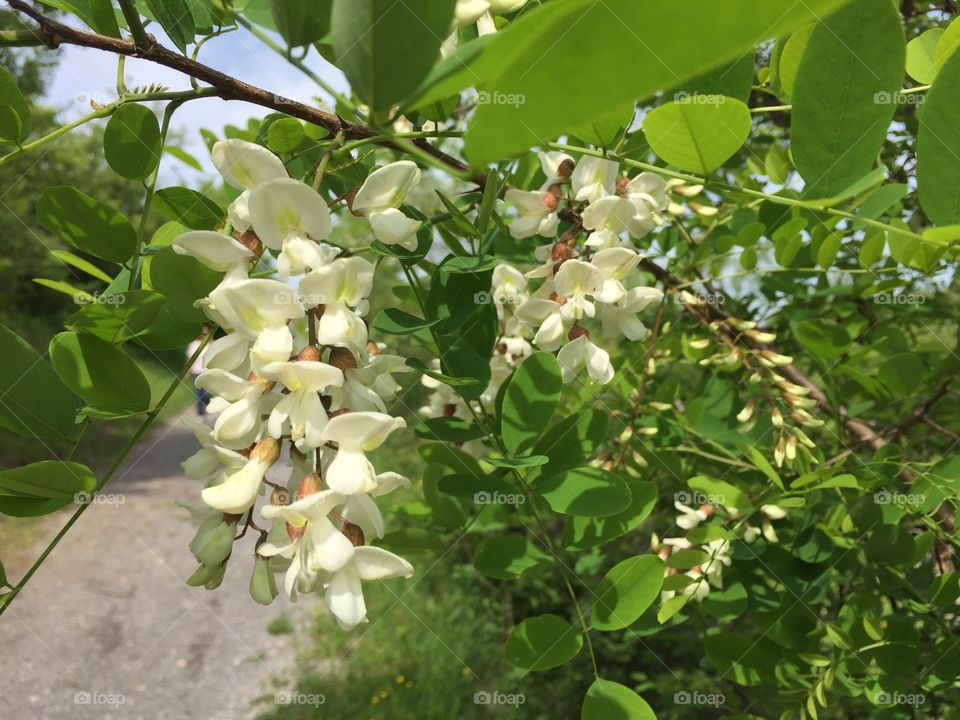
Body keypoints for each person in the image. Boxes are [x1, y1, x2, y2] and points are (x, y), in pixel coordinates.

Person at [186, 327, 211, 417]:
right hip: (196, 371)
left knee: (208, 393)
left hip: (208, 372)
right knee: (198, 393)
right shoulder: (194, 344)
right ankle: (200, 412)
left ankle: (206, 407)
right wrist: (187, 372)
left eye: (207, 331)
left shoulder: (211, 344)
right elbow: (190, 360)